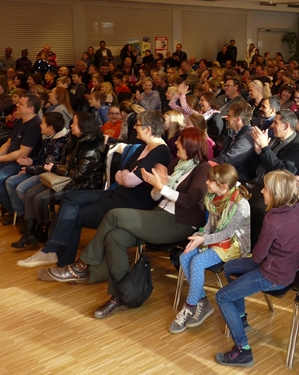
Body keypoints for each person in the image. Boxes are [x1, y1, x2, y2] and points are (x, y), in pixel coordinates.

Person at [48, 128, 212, 318]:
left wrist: (162, 187)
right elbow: (156, 197)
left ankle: (82, 266)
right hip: (159, 215)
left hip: (180, 223)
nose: (175, 143)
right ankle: (120, 296)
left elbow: (189, 201)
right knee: (114, 238)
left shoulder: (203, 169)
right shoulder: (176, 163)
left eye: (180, 141)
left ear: (191, 144)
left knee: (114, 215)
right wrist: (157, 187)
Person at [22, 110, 170, 273]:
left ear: (148, 129)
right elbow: (122, 173)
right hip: (118, 194)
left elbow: (129, 180)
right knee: (70, 197)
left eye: (138, 125)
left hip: (130, 203)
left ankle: (60, 260)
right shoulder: (144, 147)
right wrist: (124, 175)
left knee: (75, 216)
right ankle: (52, 251)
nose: (134, 128)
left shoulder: (160, 152)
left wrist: (124, 175)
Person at [214, 169, 299, 367]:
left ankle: (242, 350)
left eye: (266, 188)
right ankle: (241, 318)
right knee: (229, 267)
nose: (262, 191)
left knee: (222, 296)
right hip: (284, 267)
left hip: (272, 275)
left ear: (276, 193)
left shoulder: (273, 220)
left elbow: (257, 256)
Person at [170, 163, 251, 333]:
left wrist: (204, 239)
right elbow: (209, 226)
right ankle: (202, 302)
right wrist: (200, 237)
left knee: (198, 262)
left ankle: (189, 307)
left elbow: (228, 233)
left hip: (233, 244)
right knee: (185, 256)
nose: (206, 182)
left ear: (223, 186)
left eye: (211, 180)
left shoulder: (240, 204)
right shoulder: (214, 197)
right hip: (215, 239)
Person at [13, 112, 104, 254]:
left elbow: (78, 174)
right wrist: (55, 167)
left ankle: (43, 230)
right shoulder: (74, 141)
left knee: (40, 199)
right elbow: (64, 163)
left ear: (83, 127)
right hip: (65, 178)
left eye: (74, 123)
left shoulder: (91, 147)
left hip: (82, 185)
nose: (71, 125)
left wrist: (54, 168)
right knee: (29, 193)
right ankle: (30, 232)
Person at [0, 94, 42, 224]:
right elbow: (8, 143)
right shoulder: (19, 121)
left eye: (21, 104)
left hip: (22, 162)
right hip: (10, 159)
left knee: (1, 177)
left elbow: (22, 153)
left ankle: (14, 212)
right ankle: (7, 207)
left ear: (30, 109)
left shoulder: (34, 126)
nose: (17, 105)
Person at [250, 109, 299, 182]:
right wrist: (258, 152)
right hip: (255, 181)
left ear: (286, 126)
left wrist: (265, 147)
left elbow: (282, 172)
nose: (272, 125)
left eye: (275, 122)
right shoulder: (274, 141)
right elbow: (252, 169)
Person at [215, 102, 255, 180]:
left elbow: (228, 161)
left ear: (238, 119)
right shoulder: (235, 132)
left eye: (229, 115)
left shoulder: (248, 137)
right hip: (226, 173)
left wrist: (207, 162)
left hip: (237, 178)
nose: (226, 118)